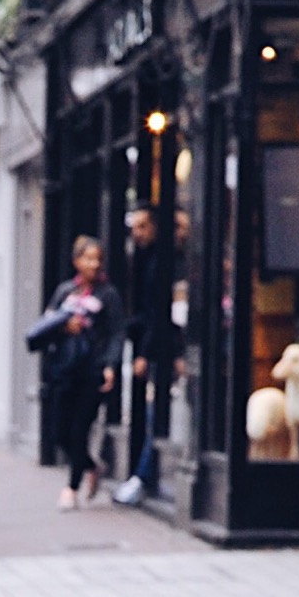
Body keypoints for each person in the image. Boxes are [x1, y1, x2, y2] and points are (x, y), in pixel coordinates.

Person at [26, 235, 117, 504]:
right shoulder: (65, 292)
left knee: (80, 430)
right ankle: (92, 466)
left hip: (92, 372)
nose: (93, 264)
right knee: (60, 433)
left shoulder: (108, 295)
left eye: (97, 259)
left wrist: (110, 365)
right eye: (88, 258)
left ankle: (72, 488)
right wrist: (64, 327)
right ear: (76, 261)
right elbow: (47, 323)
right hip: (64, 370)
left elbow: (116, 332)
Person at [115, 201, 172, 504]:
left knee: (155, 414)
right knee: (153, 414)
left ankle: (144, 475)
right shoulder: (144, 259)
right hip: (154, 347)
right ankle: (143, 474)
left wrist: (145, 353)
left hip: (164, 351)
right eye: (133, 227)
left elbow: (158, 312)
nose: (136, 233)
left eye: (142, 227)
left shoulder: (161, 263)